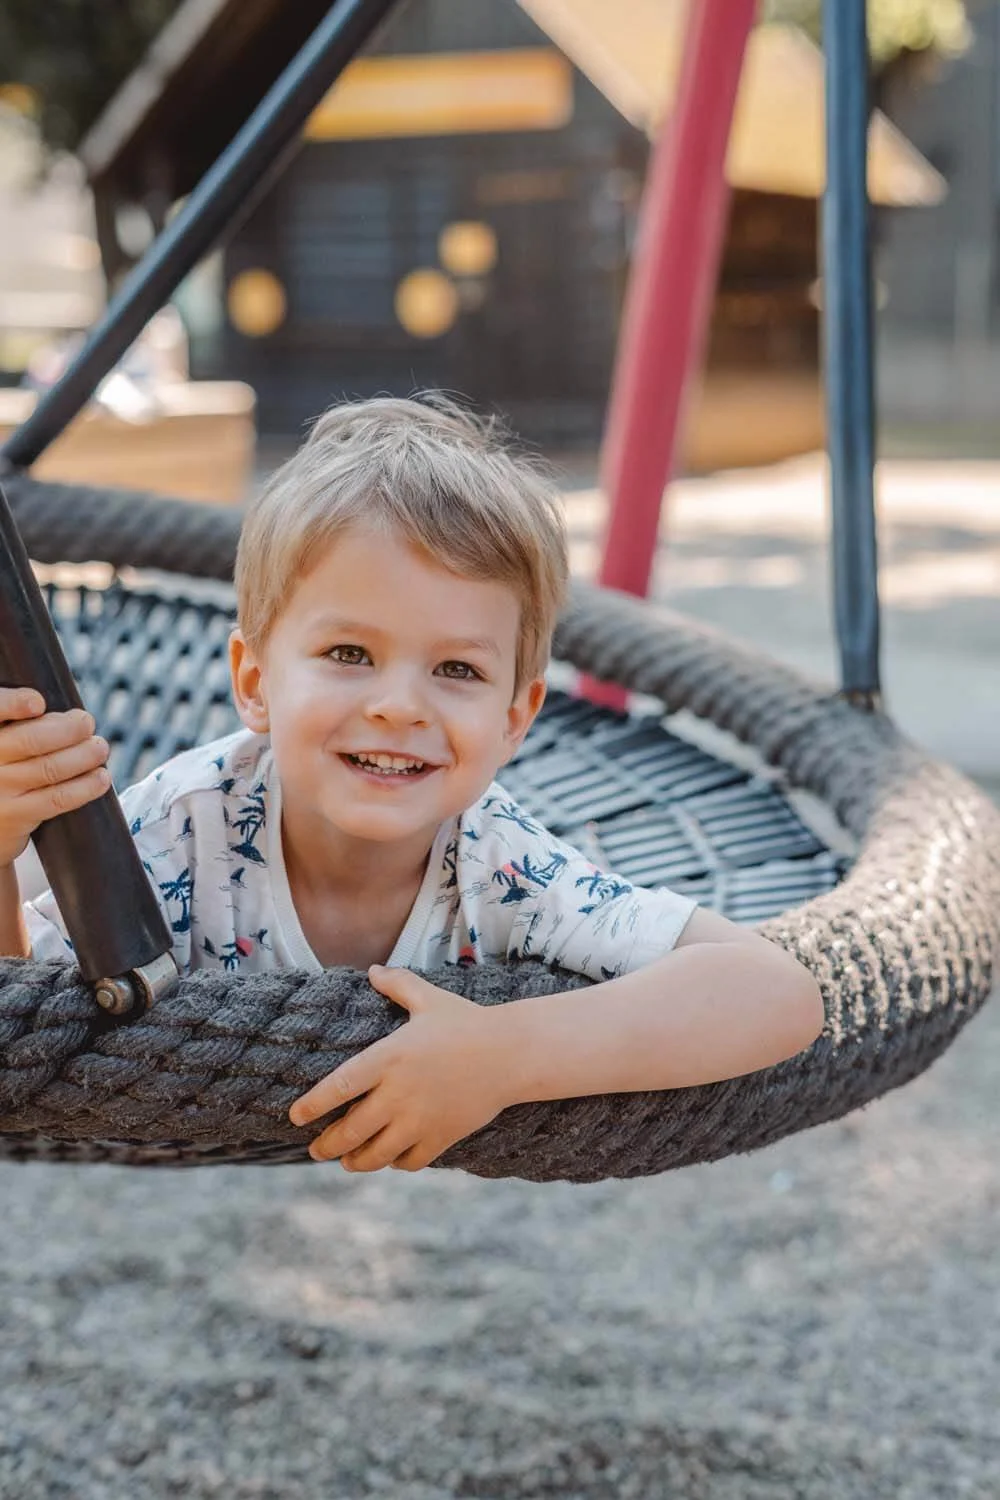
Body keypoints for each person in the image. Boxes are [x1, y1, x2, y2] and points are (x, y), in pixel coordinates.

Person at [0, 396, 824, 1172]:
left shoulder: (502, 867)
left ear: (514, 716)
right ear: (253, 679)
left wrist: (508, 1054)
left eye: (457, 669)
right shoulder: (177, 833)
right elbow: (21, 1031)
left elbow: (775, 992)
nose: (399, 707)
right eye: (350, 655)